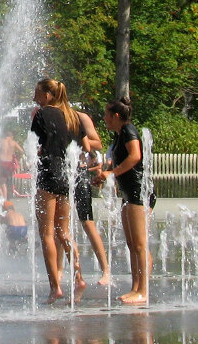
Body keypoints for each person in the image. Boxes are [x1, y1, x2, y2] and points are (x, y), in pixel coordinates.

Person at [30, 78, 85, 303]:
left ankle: (55, 287)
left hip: (48, 175)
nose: (35, 97)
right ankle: (79, 277)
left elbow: (34, 146)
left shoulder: (42, 115)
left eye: (38, 93)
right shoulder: (70, 115)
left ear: (48, 96)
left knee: (46, 234)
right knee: (63, 232)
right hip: (65, 175)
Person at [96, 97, 149, 305]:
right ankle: (135, 288)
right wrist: (106, 176)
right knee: (131, 244)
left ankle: (143, 291)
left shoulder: (128, 130)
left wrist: (112, 173)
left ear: (116, 116)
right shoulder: (120, 135)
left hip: (138, 193)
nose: (104, 118)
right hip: (128, 193)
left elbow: (135, 156)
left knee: (139, 245)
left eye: (107, 114)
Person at [75, 110, 111, 286]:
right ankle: (59, 272)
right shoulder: (43, 114)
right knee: (56, 224)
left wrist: (74, 139)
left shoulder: (80, 117)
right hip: (56, 171)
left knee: (87, 222)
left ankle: (106, 270)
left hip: (78, 171)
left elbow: (97, 143)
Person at [0, 132, 25, 199]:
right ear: (11, 136)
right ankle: (4, 199)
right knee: (3, 182)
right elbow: (22, 151)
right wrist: (17, 157)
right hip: (9, 164)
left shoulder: (2, 141)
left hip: (1, 162)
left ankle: (2, 197)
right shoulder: (14, 143)